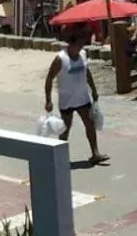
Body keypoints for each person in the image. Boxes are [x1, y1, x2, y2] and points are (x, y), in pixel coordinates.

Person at [43, 30, 108, 164]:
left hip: (82, 98)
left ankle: (95, 153)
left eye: (82, 45)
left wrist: (94, 90)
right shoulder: (60, 58)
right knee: (65, 128)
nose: (80, 48)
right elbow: (49, 78)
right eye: (78, 45)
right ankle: (59, 157)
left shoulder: (83, 55)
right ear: (70, 44)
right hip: (66, 100)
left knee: (89, 124)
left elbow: (87, 73)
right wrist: (48, 100)